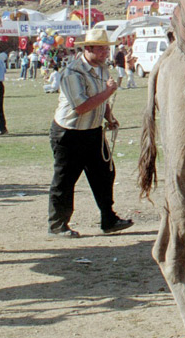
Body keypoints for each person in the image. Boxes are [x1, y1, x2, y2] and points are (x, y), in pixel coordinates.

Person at [47, 28, 132, 238]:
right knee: (65, 179)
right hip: (70, 133)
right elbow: (81, 107)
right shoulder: (72, 73)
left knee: (105, 175)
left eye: (106, 48)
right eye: (101, 49)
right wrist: (108, 92)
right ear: (88, 49)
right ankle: (58, 225)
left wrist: (109, 117)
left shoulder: (102, 69)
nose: (105, 53)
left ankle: (109, 219)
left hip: (92, 132)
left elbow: (101, 100)